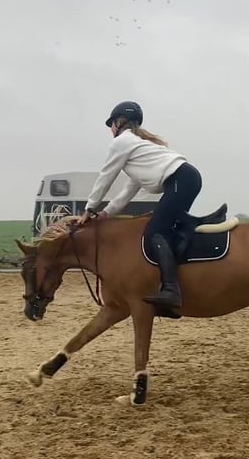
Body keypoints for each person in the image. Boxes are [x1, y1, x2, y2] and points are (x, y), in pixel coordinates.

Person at [77, 101, 203, 313]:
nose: (111, 129)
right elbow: (127, 191)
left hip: (181, 180)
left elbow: (106, 177)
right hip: (187, 178)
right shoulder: (137, 149)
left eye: (111, 124)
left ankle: (171, 290)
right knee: (167, 228)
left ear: (119, 122)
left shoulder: (122, 143)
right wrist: (106, 213)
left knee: (154, 231)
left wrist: (89, 209)